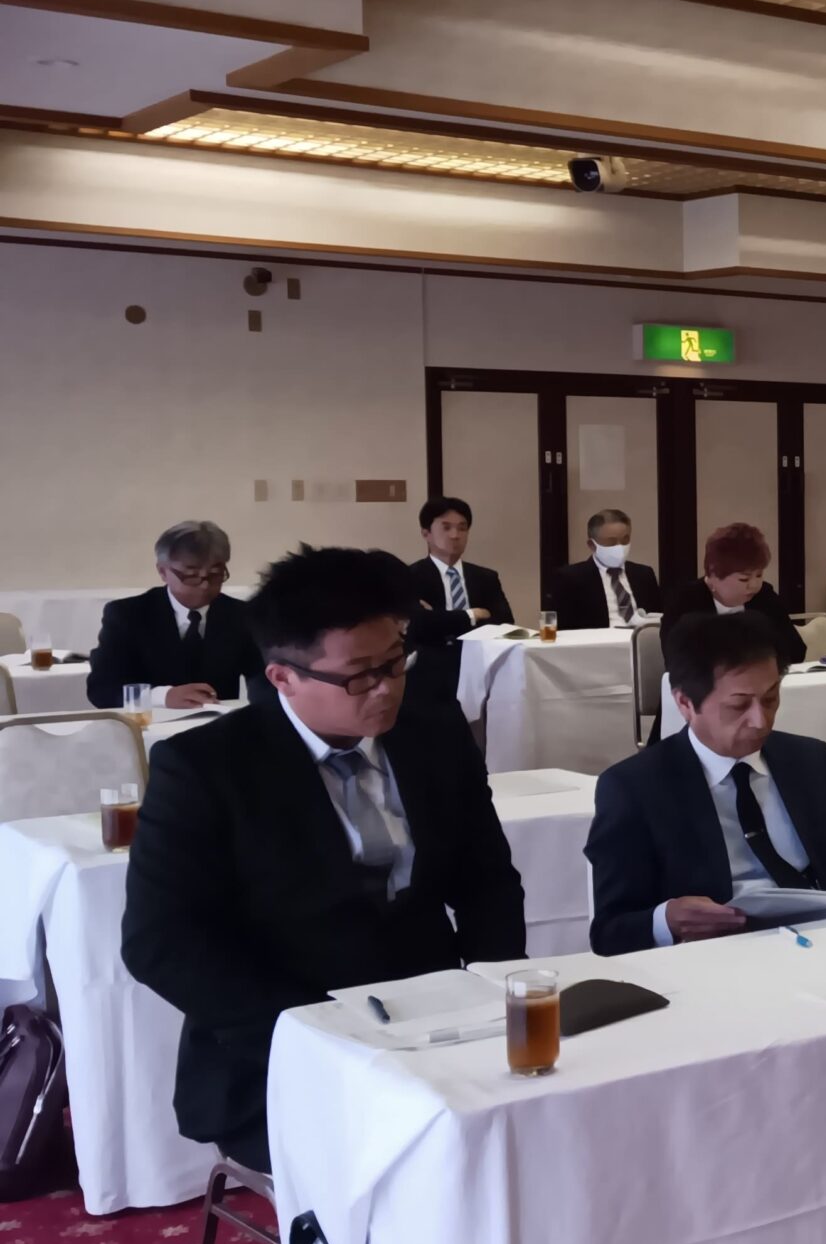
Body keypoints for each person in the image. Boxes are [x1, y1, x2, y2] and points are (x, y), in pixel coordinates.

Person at [121, 546, 525, 1173]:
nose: (386, 688)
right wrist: (312, 1034)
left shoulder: (433, 732)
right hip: (283, 1044)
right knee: (420, 1170)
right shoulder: (207, 768)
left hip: (438, 1028)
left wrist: (490, 997)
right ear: (283, 677)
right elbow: (160, 942)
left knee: (528, 1145)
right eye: (360, 675)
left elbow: (488, 881)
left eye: (395, 661)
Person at [586, 612, 826, 953]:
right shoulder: (635, 787)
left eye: (770, 699)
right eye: (739, 706)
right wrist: (666, 920)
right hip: (716, 955)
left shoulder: (809, 761)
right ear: (685, 703)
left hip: (824, 941)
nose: (760, 720)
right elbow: (609, 931)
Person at [85, 520, 265, 709]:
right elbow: (102, 689)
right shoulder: (128, 615)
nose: (205, 585)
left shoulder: (242, 616)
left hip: (220, 722)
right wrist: (162, 696)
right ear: (163, 572)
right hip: (150, 722)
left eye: (215, 574)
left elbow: (265, 679)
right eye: (191, 575)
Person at [406, 495, 514, 707]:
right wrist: (473, 614)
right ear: (426, 533)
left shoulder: (485, 577)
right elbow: (419, 625)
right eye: (446, 528)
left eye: (462, 528)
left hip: (481, 662)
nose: (455, 535)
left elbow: (504, 622)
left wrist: (441, 619)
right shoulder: (411, 576)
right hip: (431, 668)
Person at [658, 522, 806, 668]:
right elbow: (678, 663)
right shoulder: (685, 601)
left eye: (759, 575)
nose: (754, 585)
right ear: (713, 573)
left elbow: (795, 651)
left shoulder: (765, 597)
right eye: (744, 579)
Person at [547, 507, 660, 629]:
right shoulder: (570, 578)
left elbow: (660, 619)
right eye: (611, 542)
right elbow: (563, 628)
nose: (620, 547)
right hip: (598, 640)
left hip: (640, 639)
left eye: (625, 540)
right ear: (592, 545)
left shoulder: (644, 574)